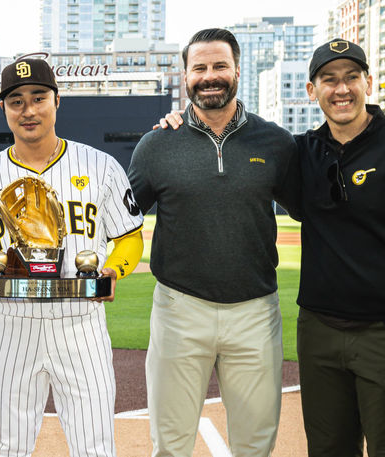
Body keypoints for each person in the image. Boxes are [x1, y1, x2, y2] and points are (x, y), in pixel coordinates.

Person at [0, 58, 144, 457]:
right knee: (8, 447)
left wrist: (115, 271)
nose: (28, 110)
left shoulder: (100, 167)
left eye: (38, 98)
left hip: (80, 322)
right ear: (4, 109)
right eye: (16, 101)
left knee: (95, 444)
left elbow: (130, 239)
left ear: (57, 101)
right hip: (12, 322)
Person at [127, 28, 299, 456]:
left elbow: (311, 209)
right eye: (199, 67)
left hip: (255, 312)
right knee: (170, 445)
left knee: (256, 446)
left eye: (219, 65)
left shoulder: (275, 141)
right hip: (180, 310)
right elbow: (121, 216)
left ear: (237, 70)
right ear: (185, 76)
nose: (210, 76)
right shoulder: (156, 144)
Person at [294, 38, 385, 457]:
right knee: (329, 449)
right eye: (329, 80)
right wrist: (180, 122)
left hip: (380, 331)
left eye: (351, 77)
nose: (342, 88)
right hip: (320, 332)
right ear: (313, 91)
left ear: (369, 82)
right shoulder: (299, 152)